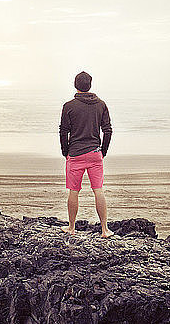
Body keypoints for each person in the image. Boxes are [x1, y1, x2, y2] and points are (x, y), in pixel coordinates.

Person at [59, 71, 114, 238]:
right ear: (90, 85)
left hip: (75, 154)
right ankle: (105, 229)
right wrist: (102, 151)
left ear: (76, 85)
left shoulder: (69, 106)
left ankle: (71, 228)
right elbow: (108, 130)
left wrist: (65, 151)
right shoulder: (101, 104)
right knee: (98, 190)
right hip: (95, 153)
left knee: (74, 191)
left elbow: (63, 132)